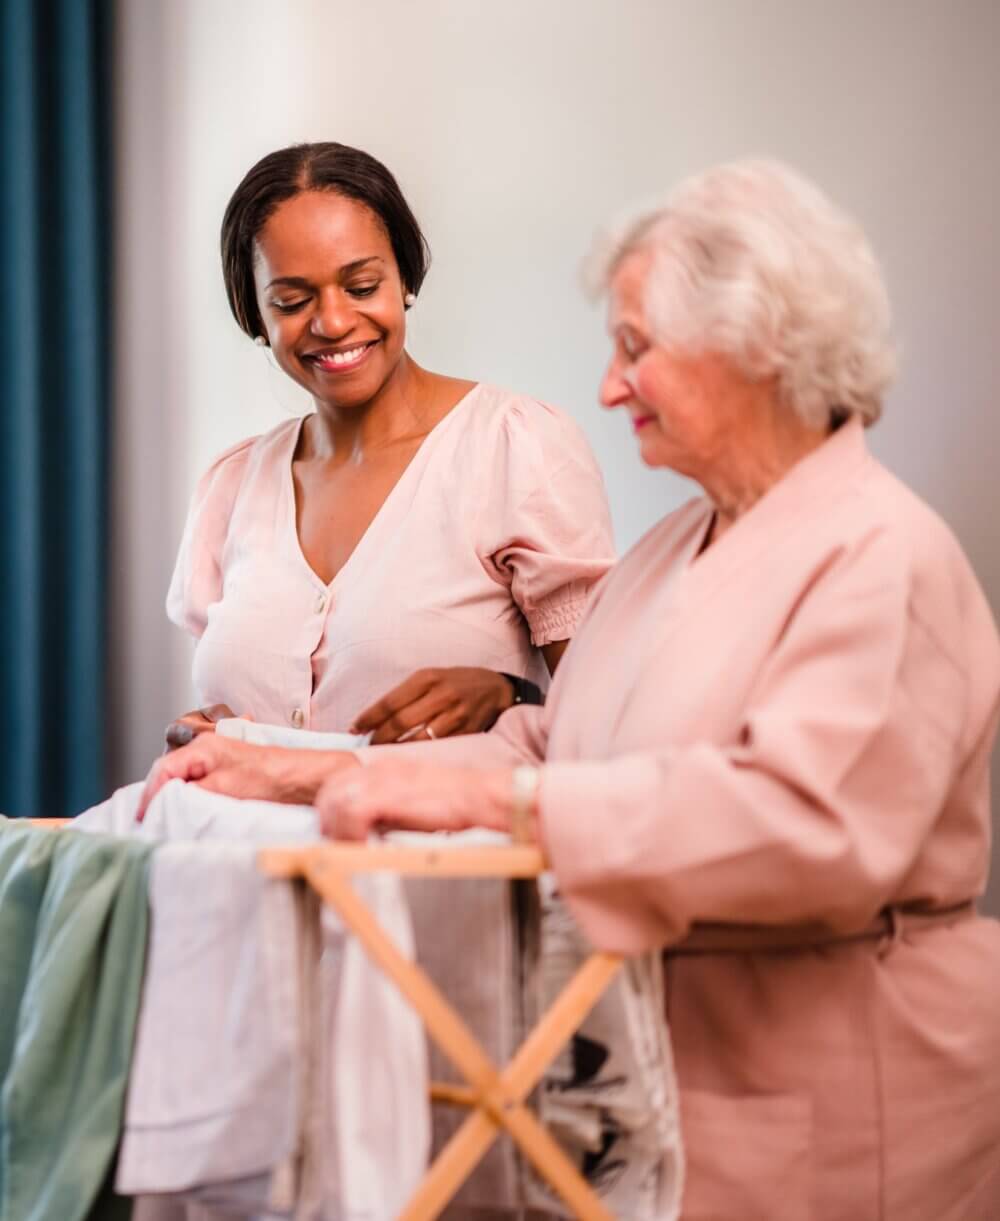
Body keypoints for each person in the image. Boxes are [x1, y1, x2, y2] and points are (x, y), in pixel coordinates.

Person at [141, 159, 1000, 1219]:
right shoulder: (677, 547)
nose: (608, 385)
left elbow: (803, 829)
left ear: (759, 351)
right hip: (658, 1087)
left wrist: (493, 803)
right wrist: (283, 770)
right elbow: (554, 746)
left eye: (636, 349)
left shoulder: (881, 554)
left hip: (837, 1098)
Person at [165, 142, 614, 751]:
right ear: (255, 314)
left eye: (361, 285)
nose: (332, 321)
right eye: (292, 302)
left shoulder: (514, 448)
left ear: (404, 278)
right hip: (249, 844)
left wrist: (513, 696)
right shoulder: (233, 485)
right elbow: (236, 712)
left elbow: (611, 718)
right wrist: (203, 738)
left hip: (442, 845)